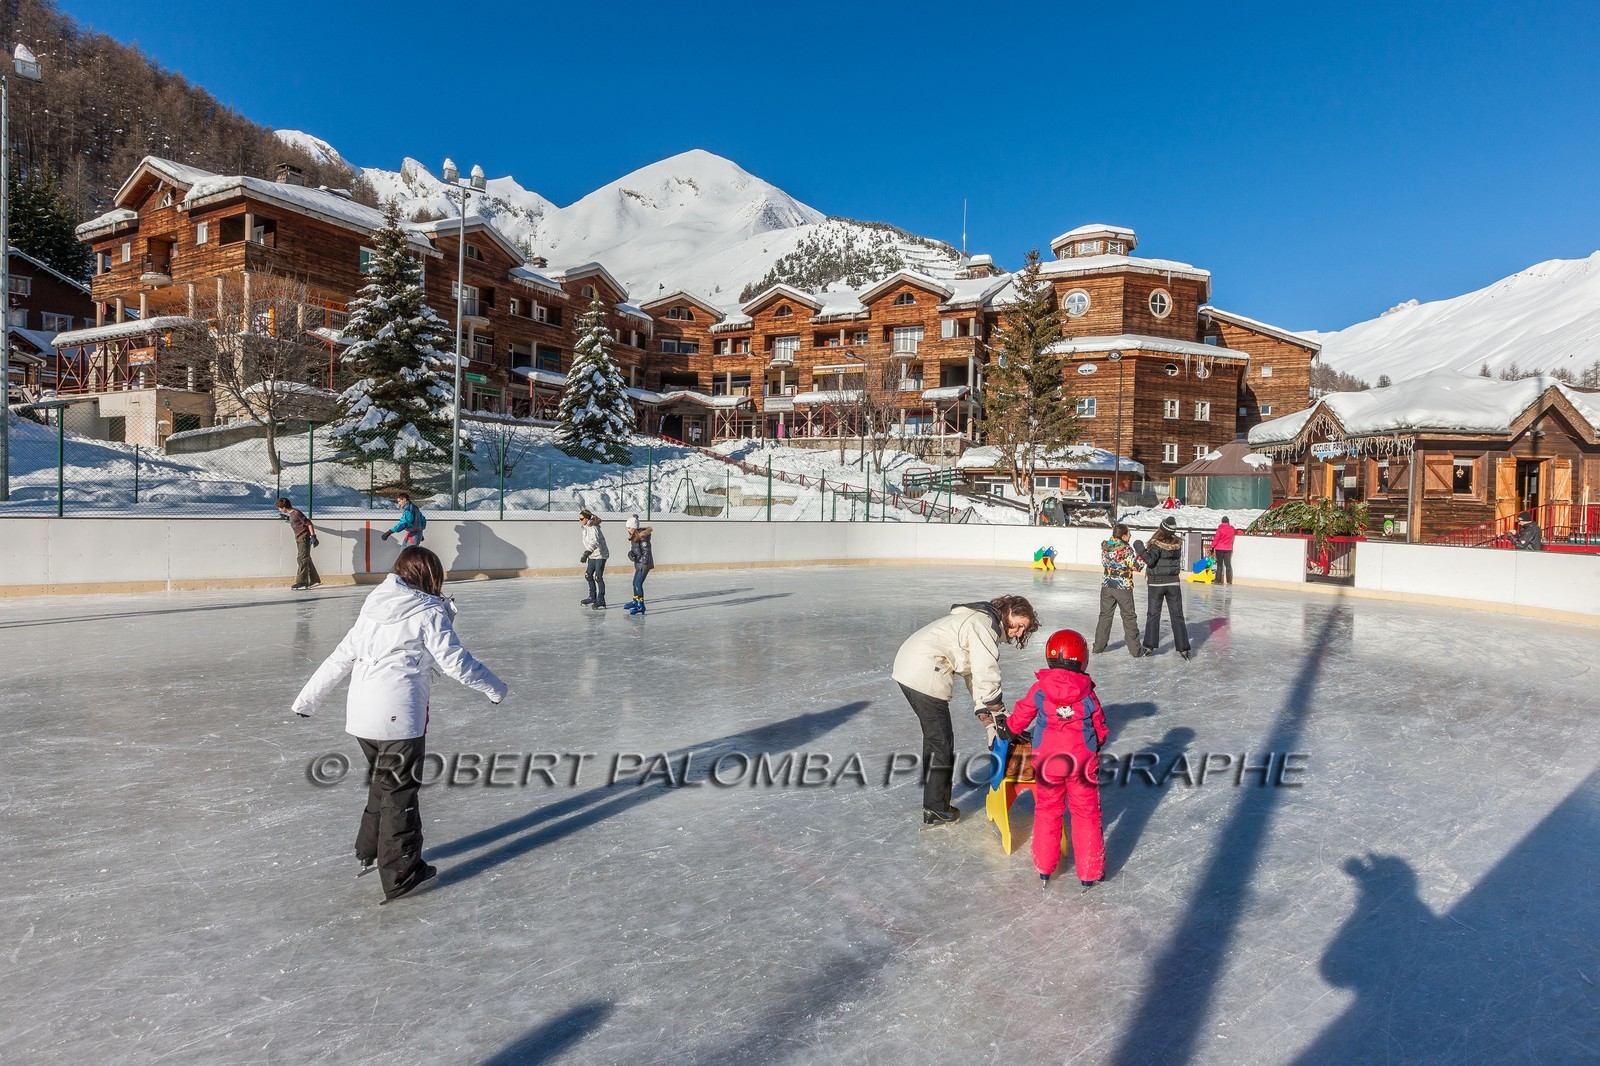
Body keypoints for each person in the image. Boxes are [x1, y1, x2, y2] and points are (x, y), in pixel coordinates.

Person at [291, 546, 507, 904]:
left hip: (362, 718)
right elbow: (455, 663)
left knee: (383, 782)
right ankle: (402, 874)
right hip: (398, 719)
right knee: (399, 792)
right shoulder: (427, 612)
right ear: (429, 576)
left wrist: (306, 701)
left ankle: (370, 849)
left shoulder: (374, 607)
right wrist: (495, 688)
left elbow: (340, 657)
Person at [891, 595, 1041, 827]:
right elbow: (986, 672)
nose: (1019, 633)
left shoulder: (980, 622)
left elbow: (975, 680)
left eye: (1024, 629)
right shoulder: (984, 626)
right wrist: (1000, 713)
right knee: (940, 741)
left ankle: (935, 804)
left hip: (912, 664)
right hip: (923, 669)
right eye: (1019, 624)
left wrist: (989, 723)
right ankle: (936, 809)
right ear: (1009, 611)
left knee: (936, 740)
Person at [1002, 629, 1108, 887]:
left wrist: (1010, 730)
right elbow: (1100, 727)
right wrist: (1096, 745)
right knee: (1086, 814)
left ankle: (1045, 868)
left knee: (1048, 810)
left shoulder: (1040, 689)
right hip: (1081, 764)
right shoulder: (1087, 693)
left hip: (1048, 761)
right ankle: (1089, 873)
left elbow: (1021, 716)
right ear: (1082, 659)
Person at [1136, 517, 1192, 659]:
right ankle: (1183, 648)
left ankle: (1149, 645)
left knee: (1153, 615)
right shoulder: (1177, 545)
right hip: (1173, 584)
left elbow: (1150, 561)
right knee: (1177, 615)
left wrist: (1139, 547)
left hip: (1156, 584)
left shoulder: (1156, 544)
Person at [1092, 523, 1144, 657]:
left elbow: (1105, 562)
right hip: (1123, 588)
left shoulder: (1106, 547)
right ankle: (1135, 650)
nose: (1131, 535)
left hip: (1107, 587)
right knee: (1129, 617)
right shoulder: (1126, 549)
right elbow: (1136, 566)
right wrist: (1143, 554)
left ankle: (1098, 647)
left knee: (1105, 616)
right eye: (1129, 533)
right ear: (1123, 535)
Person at [276, 497, 320, 591]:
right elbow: (296, 522)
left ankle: (301, 581)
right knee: (306, 558)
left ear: (284, 507)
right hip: (299, 539)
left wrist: (313, 536)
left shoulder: (296, 513)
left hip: (304, 538)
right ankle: (314, 579)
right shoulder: (292, 514)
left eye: (279, 507)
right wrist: (287, 518)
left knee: (302, 559)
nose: (279, 509)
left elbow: (308, 523)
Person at [578, 509, 609, 609]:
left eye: (581, 519)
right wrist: (588, 553)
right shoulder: (585, 528)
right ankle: (592, 597)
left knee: (598, 577)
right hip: (592, 555)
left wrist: (586, 553)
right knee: (588, 575)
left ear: (586, 518)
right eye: (579, 519)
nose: (580, 521)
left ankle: (601, 600)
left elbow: (595, 542)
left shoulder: (593, 527)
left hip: (600, 554)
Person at [624, 515, 654, 615]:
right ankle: (635, 601)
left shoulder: (643, 537)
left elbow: (646, 552)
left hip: (644, 564)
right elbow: (635, 551)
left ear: (634, 528)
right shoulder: (634, 537)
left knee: (638, 584)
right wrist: (631, 554)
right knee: (634, 583)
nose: (628, 530)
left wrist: (642, 562)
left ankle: (641, 605)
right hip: (639, 564)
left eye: (629, 528)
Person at [1213, 515, 1238, 585]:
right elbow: (1236, 532)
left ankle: (1218, 580)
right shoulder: (1231, 529)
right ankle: (1229, 580)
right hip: (1228, 549)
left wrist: (1213, 546)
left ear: (1222, 521)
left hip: (1219, 549)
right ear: (1228, 522)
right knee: (1228, 565)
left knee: (1219, 565)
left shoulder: (1220, 529)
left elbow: (1216, 538)